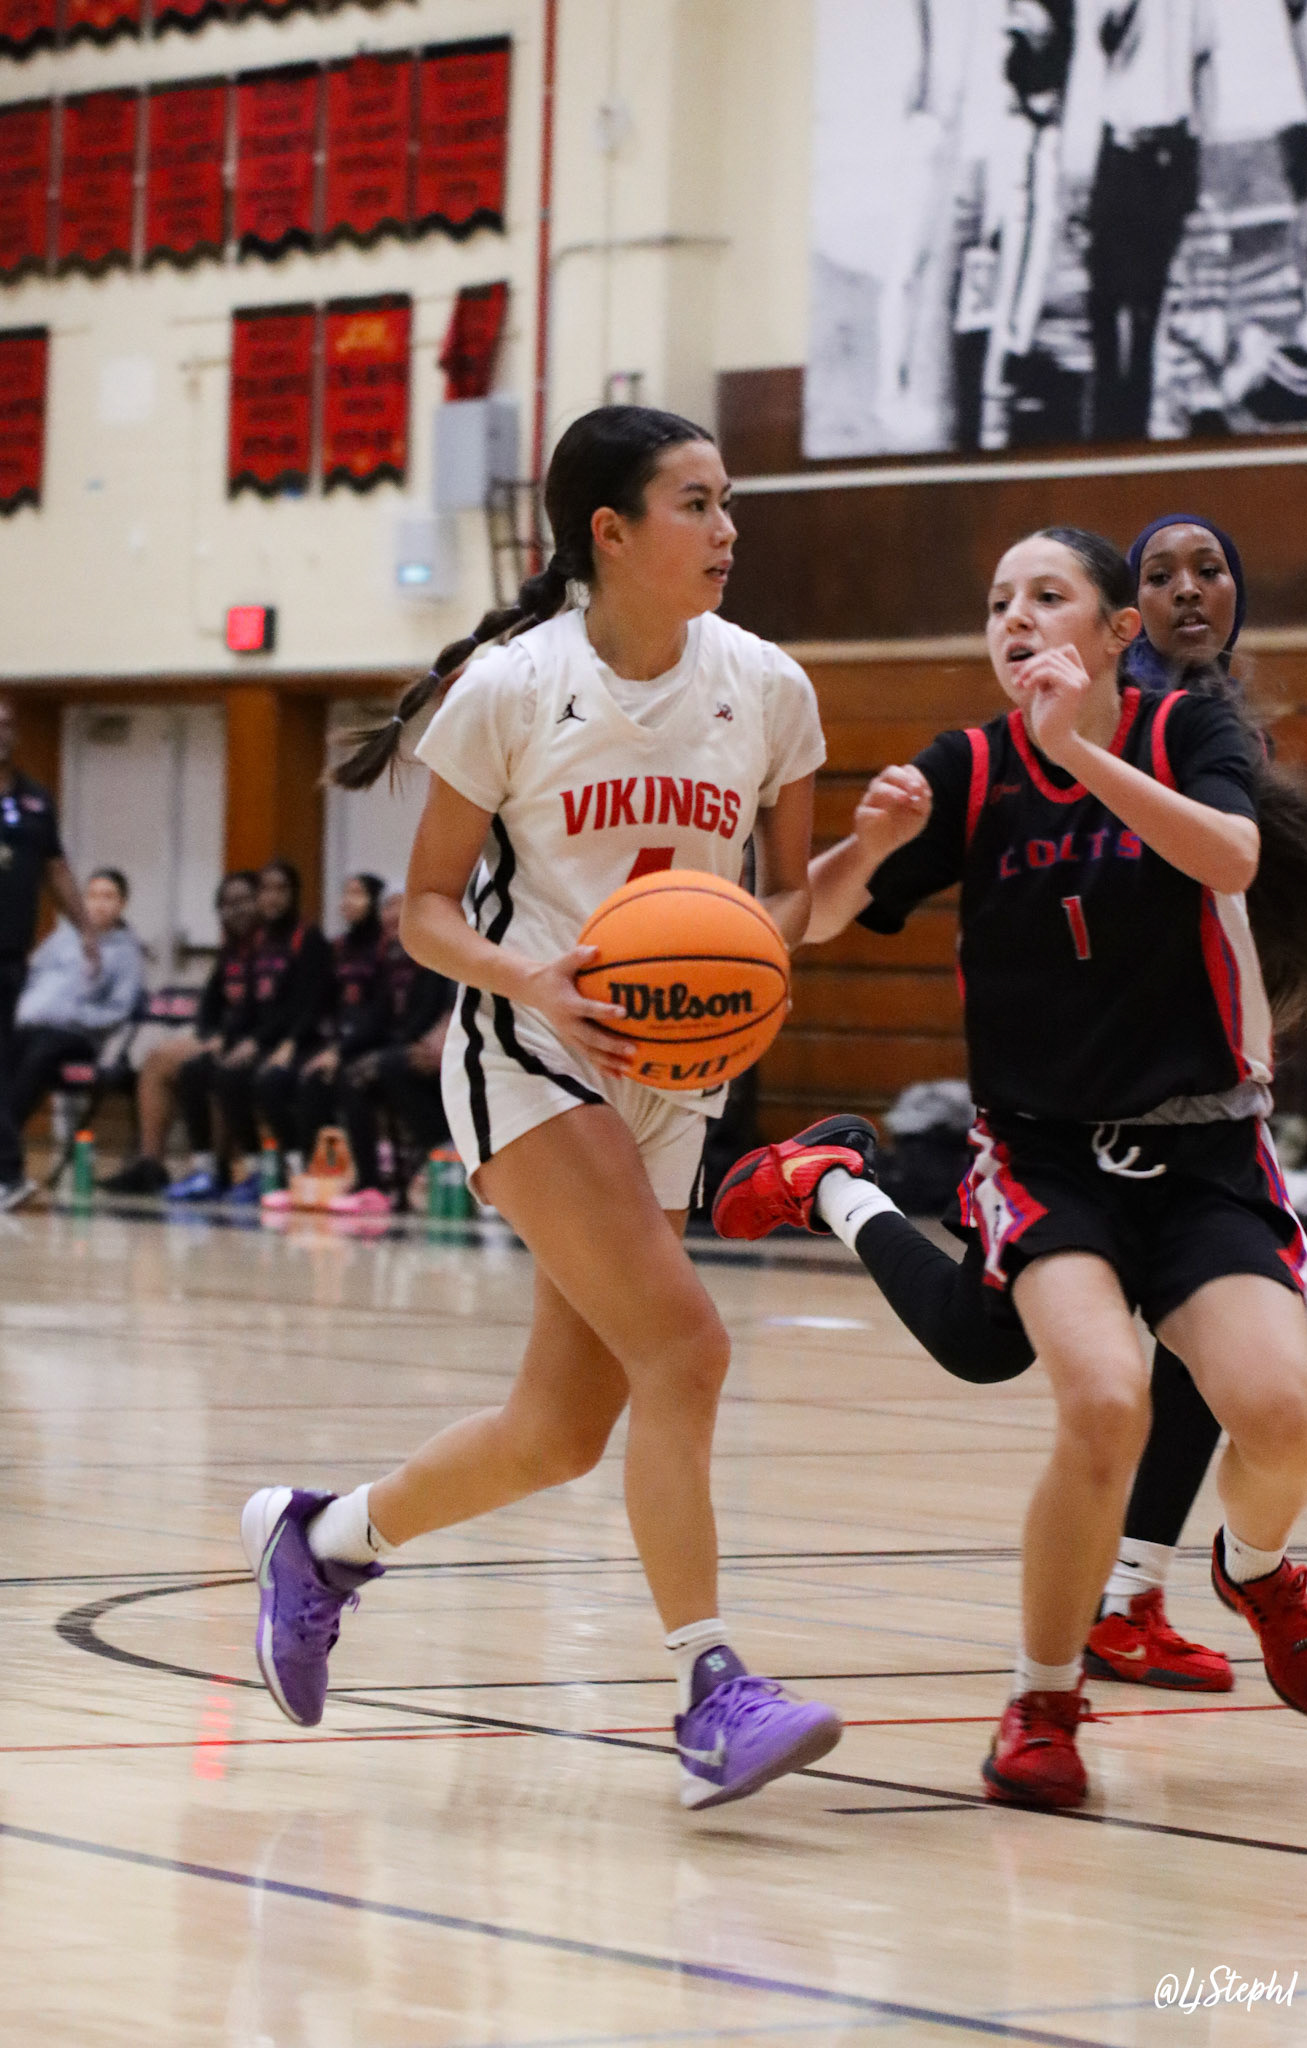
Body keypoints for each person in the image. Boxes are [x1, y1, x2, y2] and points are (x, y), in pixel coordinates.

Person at [239, 403, 842, 1811]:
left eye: (728, 500)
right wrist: (536, 981)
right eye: (697, 502)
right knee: (687, 1349)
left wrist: (810, 905)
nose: (728, 528)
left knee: (561, 1430)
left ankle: (325, 1543)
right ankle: (710, 1687)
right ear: (610, 533)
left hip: (678, 1077)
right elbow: (426, 911)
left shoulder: (769, 686)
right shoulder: (514, 687)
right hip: (531, 1048)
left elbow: (784, 909)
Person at [716, 524, 1307, 1808]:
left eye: (1047, 595)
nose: (1014, 618)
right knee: (1107, 1402)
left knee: (1282, 1419)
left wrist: (1080, 755)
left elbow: (1230, 856)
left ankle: (1252, 1564)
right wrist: (868, 843)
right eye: (998, 600)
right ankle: (1042, 1701)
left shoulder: (1184, 732)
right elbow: (817, 916)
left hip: (1204, 1144)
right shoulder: (970, 767)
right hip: (1047, 1150)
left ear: (1118, 631)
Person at [170, 860, 331, 1205]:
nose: (273, 897)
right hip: (261, 1039)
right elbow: (244, 1006)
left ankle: (291, 1170)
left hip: (300, 1040)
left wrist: (272, 1043)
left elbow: (308, 1004)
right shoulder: (255, 942)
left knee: (261, 1081)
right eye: (266, 890)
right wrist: (222, 1038)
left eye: (280, 889)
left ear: (294, 894)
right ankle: (211, 1169)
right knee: (195, 1070)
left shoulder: (307, 938)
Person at [1088, 0, 1213, 439]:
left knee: (1150, 301)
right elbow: (1108, 39)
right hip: (1121, 150)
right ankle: (1106, 427)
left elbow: (1204, 61)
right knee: (1106, 299)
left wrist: (1198, 152)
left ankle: (1136, 425)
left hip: (1171, 151)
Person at [0, 691, 100, 1211]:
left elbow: (56, 869)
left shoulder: (35, 799)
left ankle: (7, 1174)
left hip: (9, 954)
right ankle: (8, 1171)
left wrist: (85, 928)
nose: (1, 732)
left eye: (7, 724)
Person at [101, 871, 260, 1198]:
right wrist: (209, 1034)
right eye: (227, 904)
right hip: (226, 1038)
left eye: (244, 901)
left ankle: (216, 1167)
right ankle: (150, 1164)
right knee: (158, 1059)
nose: (236, 910)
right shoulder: (231, 952)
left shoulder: (272, 949)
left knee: (211, 1068)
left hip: (261, 1042)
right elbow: (210, 1007)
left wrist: (228, 1038)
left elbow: (272, 1010)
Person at [4, 869, 145, 1171]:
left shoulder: (127, 953)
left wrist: (74, 1016)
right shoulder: (63, 937)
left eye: (108, 897)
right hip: (31, 1025)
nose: (98, 904)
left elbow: (120, 1009)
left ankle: (5, 1144)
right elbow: (30, 975)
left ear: (122, 903)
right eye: (92, 896)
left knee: (40, 1052)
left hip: (77, 1036)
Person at [326, 892, 452, 1215]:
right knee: (352, 1075)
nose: (391, 913)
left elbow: (432, 1016)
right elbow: (379, 1018)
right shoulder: (390, 959)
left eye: (399, 904)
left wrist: (393, 1051)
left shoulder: (438, 951)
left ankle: (439, 1149)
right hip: (403, 1048)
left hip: (442, 1050)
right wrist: (341, 1051)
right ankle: (369, 1183)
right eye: (387, 906)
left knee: (390, 1067)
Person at [288, 873, 389, 1170]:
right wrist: (325, 1047)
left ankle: (369, 1178)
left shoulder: (385, 947)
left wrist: (340, 1052)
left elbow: (381, 1014)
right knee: (309, 1079)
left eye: (358, 894)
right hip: (339, 1041)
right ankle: (320, 1169)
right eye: (346, 894)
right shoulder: (338, 948)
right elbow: (323, 1004)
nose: (348, 901)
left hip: (373, 1041)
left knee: (350, 1082)